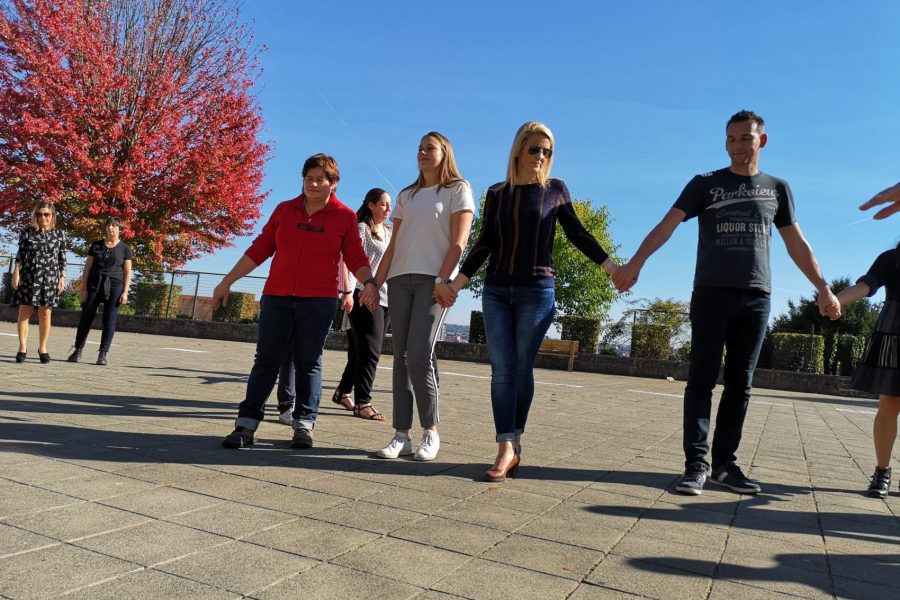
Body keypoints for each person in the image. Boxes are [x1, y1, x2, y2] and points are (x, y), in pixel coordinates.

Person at [613, 110, 841, 496]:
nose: (737, 146)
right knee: (701, 379)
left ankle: (724, 465)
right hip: (711, 293)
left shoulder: (777, 188)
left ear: (761, 141)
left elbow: (796, 243)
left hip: (756, 296)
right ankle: (695, 465)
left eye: (745, 138)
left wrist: (823, 287)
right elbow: (667, 224)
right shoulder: (705, 184)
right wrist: (636, 263)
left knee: (740, 384)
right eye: (731, 139)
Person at [450, 121, 619, 482]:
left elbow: (577, 233)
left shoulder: (555, 190)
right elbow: (484, 243)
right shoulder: (497, 193)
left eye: (547, 151)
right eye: (534, 149)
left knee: (521, 368)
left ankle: (514, 440)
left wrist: (611, 268)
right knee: (501, 370)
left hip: (537, 291)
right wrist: (457, 283)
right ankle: (505, 446)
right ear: (518, 150)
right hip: (496, 290)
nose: (540, 156)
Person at [216, 153, 379, 450]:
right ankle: (246, 425)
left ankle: (303, 425)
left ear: (333, 183)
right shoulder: (284, 210)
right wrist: (227, 281)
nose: (313, 184)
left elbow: (356, 256)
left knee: (308, 362)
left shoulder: (344, 217)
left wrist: (369, 282)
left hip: (318, 301)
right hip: (277, 297)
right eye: (309, 179)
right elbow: (259, 248)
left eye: (320, 179)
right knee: (266, 360)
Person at [373, 132, 474, 461]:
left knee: (419, 353)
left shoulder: (458, 189)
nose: (422, 152)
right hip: (398, 280)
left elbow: (459, 242)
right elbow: (393, 246)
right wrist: (374, 284)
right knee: (400, 357)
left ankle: (430, 430)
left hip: (434, 282)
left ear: (445, 153)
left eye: (429, 148)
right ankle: (401, 434)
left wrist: (445, 280)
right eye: (419, 148)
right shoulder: (406, 195)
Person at [833, 241, 900, 498]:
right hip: (894, 334)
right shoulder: (892, 258)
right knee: (889, 404)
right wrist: (835, 300)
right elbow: (865, 286)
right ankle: (882, 472)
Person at [332, 188, 393, 420]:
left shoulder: (390, 231)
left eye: (389, 205)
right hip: (362, 293)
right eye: (383, 204)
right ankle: (363, 402)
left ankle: (342, 392)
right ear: (371, 205)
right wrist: (347, 292)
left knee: (361, 349)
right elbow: (346, 260)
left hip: (385, 296)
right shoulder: (361, 229)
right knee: (371, 350)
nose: (388, 209)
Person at [67, 216, 133, 365]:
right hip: (94, 283)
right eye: (108, 225)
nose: (110, 228)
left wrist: (125, 292)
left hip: (115, 285)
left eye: (114, 226)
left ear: (120, 229)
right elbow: (87, 268)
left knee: (109, 320)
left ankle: (103, 354)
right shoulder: (96, 245)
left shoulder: (125, 249)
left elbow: (127, 272)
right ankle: (77, 350)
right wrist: (83, 288)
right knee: (86, 317)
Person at [11, 201, 67, 363]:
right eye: (39, 214)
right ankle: (22, 347)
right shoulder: (27, 232)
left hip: (49, 277)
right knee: (25, 311)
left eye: (46, 214)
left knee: (45, 313)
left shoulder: (59, 234)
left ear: (52, 216)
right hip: (29, 275)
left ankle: (42, 348)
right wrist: (16, 272)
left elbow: (62, 258)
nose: (43, 217)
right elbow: (20, 255)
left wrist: (62, 277)